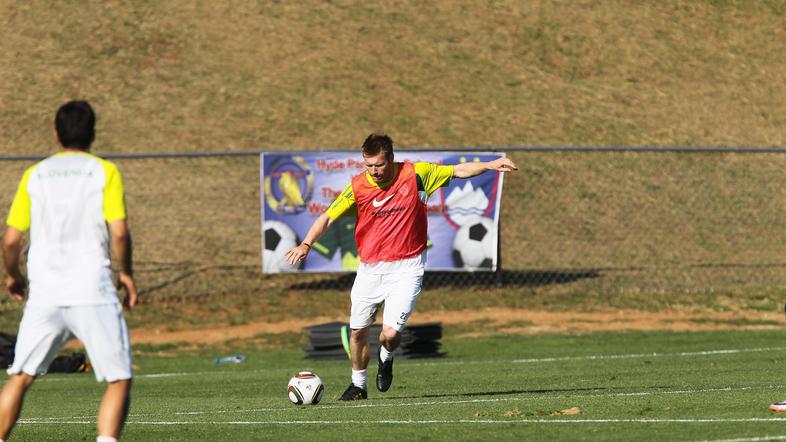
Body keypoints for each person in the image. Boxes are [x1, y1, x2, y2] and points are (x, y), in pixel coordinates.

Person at [285, 132, 517, 400]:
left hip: (408, 268)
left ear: (391, 159)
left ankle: (386, 355)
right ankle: (358, 386)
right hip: (370, 269)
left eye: (379, 165)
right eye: (368, 165)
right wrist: (306, 245)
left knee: (390, 333)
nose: (374, 171)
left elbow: (458, 171)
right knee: (357, 332)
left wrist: (490, 165)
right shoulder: (358, 185)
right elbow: (327, 217)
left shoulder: (417, 174)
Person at [0, 100, 138, 441]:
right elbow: (120, 233)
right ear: (93, 133)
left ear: (55, 134)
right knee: (118, 378)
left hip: (45, 292)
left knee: (20, 376)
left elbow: (11, 240)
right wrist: (127, 273)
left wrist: (13, 275)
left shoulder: (35, 174)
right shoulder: (104, 171)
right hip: (91, 289)